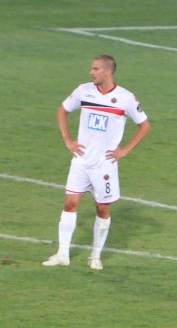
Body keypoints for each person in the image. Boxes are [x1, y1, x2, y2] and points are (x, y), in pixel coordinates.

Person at [42, 55, 150, 270]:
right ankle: (62, 254)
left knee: (102, 209)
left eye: (95, 69)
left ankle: (95, 256)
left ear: (108, 72)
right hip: (81, 161)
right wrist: (68, 140)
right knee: (70, 204)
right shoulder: (84, 91)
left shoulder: (125, 98)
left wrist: (125, 150)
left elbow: (144, 125)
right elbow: (62, 110)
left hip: (104, 165)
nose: (91, 72)